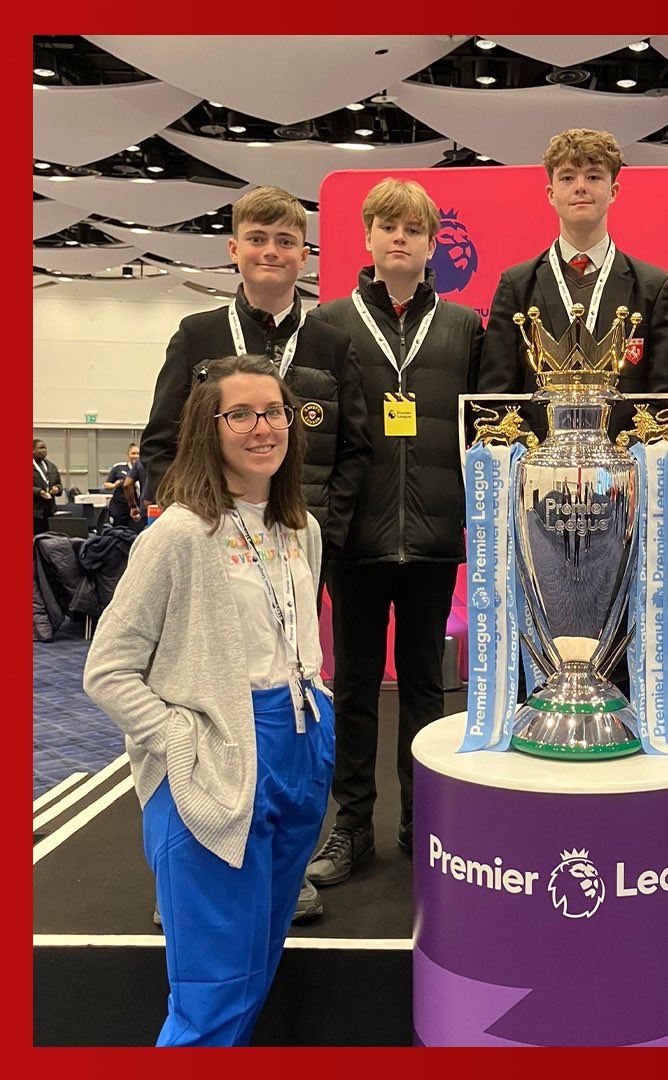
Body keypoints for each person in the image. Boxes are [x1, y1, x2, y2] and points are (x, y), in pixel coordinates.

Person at [83, 354, 335, 1046]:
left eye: (274, 411)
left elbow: (288, 637)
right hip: (213, 762)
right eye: (242, 414)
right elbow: (106, 670)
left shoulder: (301, 529)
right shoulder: (178, 535)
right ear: (209, 427)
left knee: (255, 970)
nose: (263, 428)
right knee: (213, 994)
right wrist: (180, 742)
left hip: (296, 750)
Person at [138, 185, 371, 919]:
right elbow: (159, 443)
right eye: (258, 239)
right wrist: (194, 528)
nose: (272, 253)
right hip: (213, 557)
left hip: (296, 554)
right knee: (207, 700)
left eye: (286, 242)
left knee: (287, 701)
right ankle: (188, 869)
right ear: (234, 249)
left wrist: (317, 528)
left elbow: (358, 446)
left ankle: (281, 864)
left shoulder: (333, 340)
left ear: (305, 256)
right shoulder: (197, 331)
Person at [304, 177, 483, 883]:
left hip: (434, 536)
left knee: (422, 687)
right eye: (387, 226)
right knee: (351, 684)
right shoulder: (329, 325)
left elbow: (488, 432)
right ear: (369, 238)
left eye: (413, 228)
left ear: (433, 242)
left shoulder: (467, 328)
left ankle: (423, 819)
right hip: (351, 539)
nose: (399, 237)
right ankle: (351, 826)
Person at [477, 127, 668, 396]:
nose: (580, 186)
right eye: (567, 177)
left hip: (628, 439)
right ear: (551, 194)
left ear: (613, 191)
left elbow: (663, 397)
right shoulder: (516, 286)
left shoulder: (655, 288)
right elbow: (497, 394)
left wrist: (628, 440)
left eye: (594, 176)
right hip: (535, 439)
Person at [103, 443, 142, 529]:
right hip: (119, 508)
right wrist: (115, 485)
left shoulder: (143, 469)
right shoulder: (119, 468)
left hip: (137, 508)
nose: (136, 456)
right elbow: (106, 485)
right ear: (128, 455)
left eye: (138, 453)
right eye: (133, 453)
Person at [33, 439, 64, 535]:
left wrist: (57, 489)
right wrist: (39, 492)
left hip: (49, 511)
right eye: (41, 448)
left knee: (48, 540)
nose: (44, 450)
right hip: (34, 512)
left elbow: (59, 484)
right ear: (32, 450)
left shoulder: (51, 466)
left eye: (45, 448)